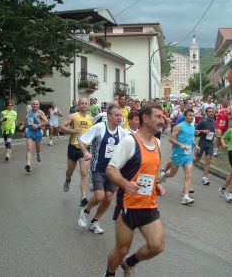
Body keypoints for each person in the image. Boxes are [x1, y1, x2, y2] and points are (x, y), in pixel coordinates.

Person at [103, 102, 165, 277]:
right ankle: (109, 273)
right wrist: (125, 184)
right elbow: (111, 169)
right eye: (158, 116)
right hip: (128, 206)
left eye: (162, 117)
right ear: (145, 118)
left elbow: (150, 172)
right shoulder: (130, 141)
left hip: (149, 205)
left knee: (157, 246)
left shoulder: (157, 143)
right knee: (122, 248)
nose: (162, 120)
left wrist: (157, 185)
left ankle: (129, 262)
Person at [77, 104, 126, 234]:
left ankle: (95, 222)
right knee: (99, 196)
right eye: (116, 115)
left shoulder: (121, 132)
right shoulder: (99, 128)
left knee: (109, 197)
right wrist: (85, 152)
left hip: (113, 170)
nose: (119, 118)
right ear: (109, 116)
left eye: (120, 115)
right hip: (98, 167)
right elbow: (82, 140)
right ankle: (86, 211)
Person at [60, 98, 93, 206]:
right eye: (81, 103)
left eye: (85, 103)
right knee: (70, 171)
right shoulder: (73, 116)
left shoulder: (91, 119)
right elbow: (62, 127)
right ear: (78, 105)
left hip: (85, 149)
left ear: (88, 105)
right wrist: (73, 131)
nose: (84, 105)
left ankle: (83, 197)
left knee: (84, 172)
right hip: (74, 147)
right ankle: (68, 179)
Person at [159, 109, 196, 205]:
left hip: (188, 155)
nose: (192, 117)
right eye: (190, 115)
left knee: (188, 175)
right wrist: (180, 145)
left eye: (193, 115)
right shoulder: (179, 126)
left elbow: (190, 139)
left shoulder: (193, 127)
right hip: (178, 154)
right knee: (171, 174)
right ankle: (162, 176)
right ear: (185, 116)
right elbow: (170, 139)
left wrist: (195, 144)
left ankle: (186, 197)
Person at [23, 99, 48, 172]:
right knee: (29, 148)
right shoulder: (28, 112)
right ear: (31, 105)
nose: (35, 105)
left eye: (36, 104)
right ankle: (28, 164)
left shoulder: (40, 112)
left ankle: (38, 154)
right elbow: (25, 119)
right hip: (29, 131)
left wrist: (38, 125)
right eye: (33, 104)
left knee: (38, 148)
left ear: (39, 105)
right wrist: (23, 125)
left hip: (37, 132)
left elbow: (46, 121)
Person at [194, 107, 216, 186]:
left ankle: (205, 178)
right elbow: (195, 131)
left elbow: (213, 132)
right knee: (196, 160)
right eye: (209, 112)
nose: (211, 113)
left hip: (210, 143)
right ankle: (187, 165)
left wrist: (217, 135)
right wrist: (202, 131)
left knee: (208, 160)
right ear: (206, 113)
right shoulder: (203, 121)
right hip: (202, 142)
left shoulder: (214, 122)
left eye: (212, 111)